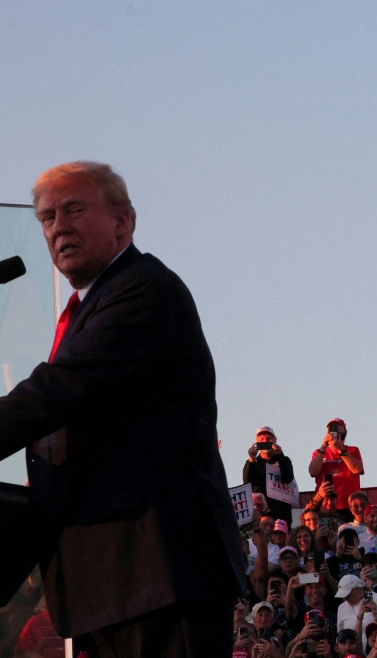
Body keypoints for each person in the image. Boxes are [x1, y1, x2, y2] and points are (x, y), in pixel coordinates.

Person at [0, 162, 245, 652]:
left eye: (74, 209)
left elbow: (57, 392)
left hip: (157, 571)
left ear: (123, 223)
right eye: (47, 218)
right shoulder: (90, 307)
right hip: (107, 580)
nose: (58, 227)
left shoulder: (143, 289)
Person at [309, 418, 365, 523]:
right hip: (325, 506)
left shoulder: (353, 450)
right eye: (332, 428)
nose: (336, 431)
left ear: (345, 431)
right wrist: (323, 447)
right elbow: (313, 471)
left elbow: (357, 469)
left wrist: (341, 449)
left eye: (339, 427)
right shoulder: (319, 452)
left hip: (348, 507)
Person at [244, 425, 296, 523]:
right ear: (257, 443)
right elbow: (247, 482)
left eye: (268, 439)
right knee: (263, 533)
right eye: (262, 439)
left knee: (281, 536)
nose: (265, 441)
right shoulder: (253, 462)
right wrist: (251, 458)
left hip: (282, 514)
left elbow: (288, 477)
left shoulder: (284, 460)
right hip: (263, 512)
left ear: (274, 441)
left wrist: (280, 454)